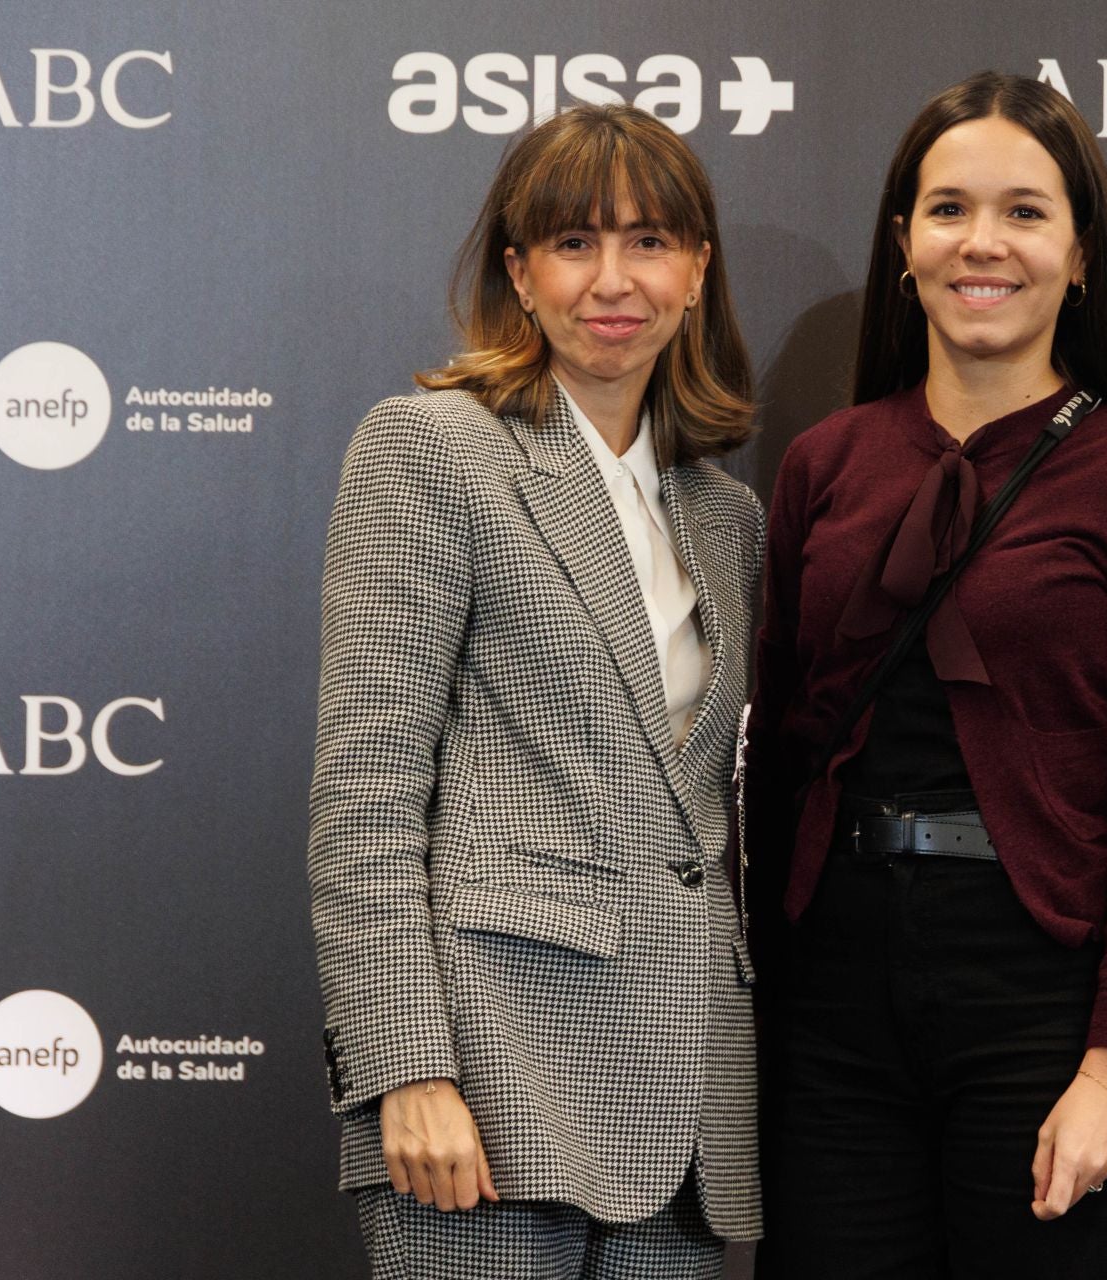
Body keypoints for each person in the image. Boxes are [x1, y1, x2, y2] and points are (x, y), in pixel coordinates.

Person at [747, 71, 1107, 1278]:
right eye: (949, 208)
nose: (984, 242)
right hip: (835, 1011)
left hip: (1048, 1002)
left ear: (1081, 255)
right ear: (904, 243)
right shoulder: (824, 461)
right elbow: (776, 769)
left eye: (1025, 211)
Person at [307, 103, 764, 1279]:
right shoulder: (430, 450)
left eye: (651, 241)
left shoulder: (726, 517)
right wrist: (405, 1064)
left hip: (684, 1105)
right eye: (573, 243)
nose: (614, 279)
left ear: (698, 268)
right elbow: (365, 799)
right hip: (487, 1086)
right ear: (519, 271)